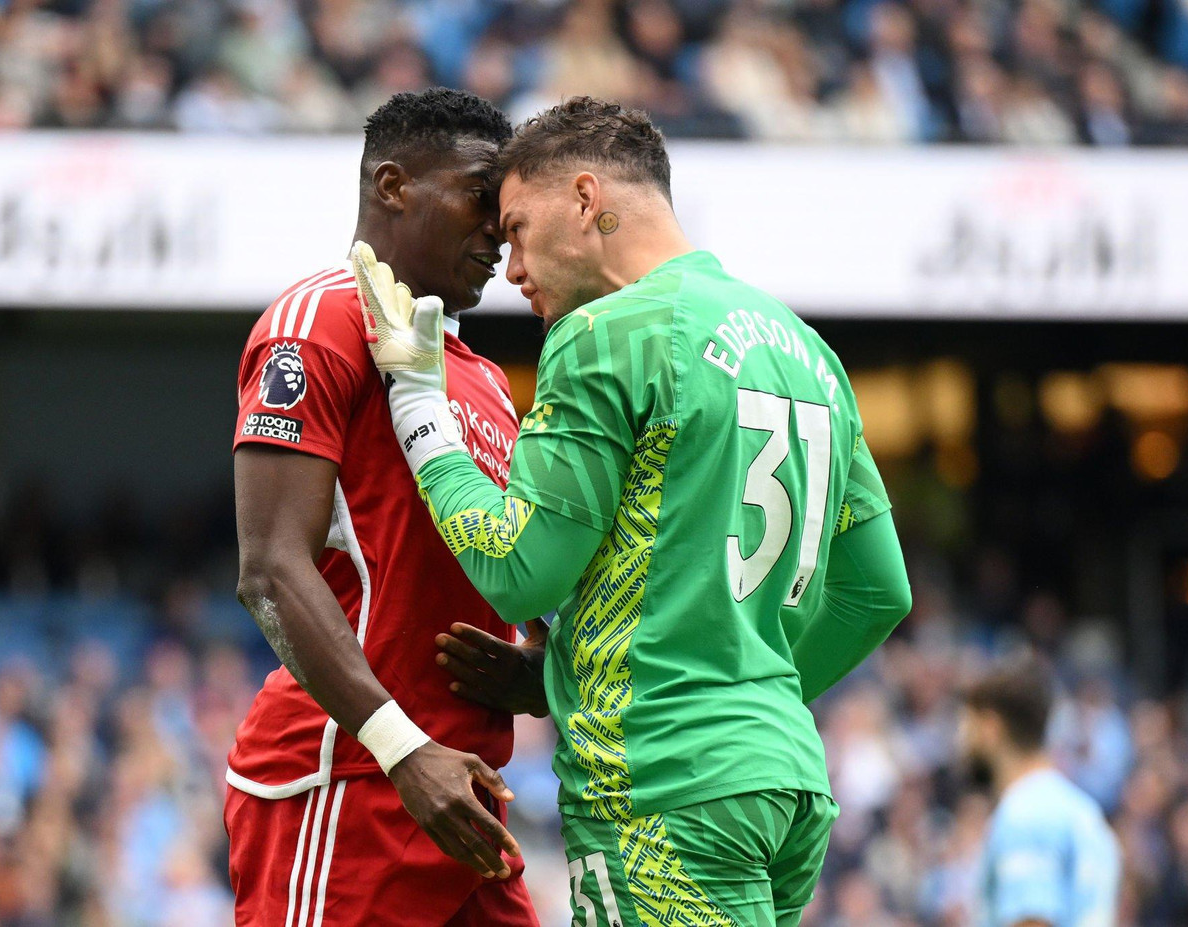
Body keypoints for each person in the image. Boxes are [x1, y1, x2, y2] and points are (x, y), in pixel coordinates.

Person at [356, 96, 912, 925]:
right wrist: (734, 693)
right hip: (783, 779)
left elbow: (515, 567)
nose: (509, 267)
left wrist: (420, 404)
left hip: (660, 786)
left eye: (515, 228)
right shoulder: (806, 349)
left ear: (585, 199)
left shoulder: (606, 333)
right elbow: (878, 592)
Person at [227, 88, 541, 927]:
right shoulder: (319, 319)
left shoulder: (480, 378)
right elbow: (268, 569)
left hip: (465, 790)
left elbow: (505, 569)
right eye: (481, 197)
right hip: (351, 779)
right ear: (394, 185)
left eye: (508, 216)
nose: (498, 233)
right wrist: (403, 750)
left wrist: (546, 672)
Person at [959, 660, 1122, 927]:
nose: (962, 740)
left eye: (967, 725)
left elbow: (1033, 920)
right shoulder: (1082, 810)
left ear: (990, 726)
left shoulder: (1026, 814)